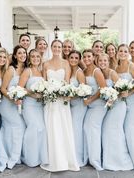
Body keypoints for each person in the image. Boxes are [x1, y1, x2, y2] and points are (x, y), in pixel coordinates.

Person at [40, 40, 80, 172]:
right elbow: (44, 82)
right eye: (55, 46)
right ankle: (53, 160)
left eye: (59, 47)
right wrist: (49, 92)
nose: (57, 48)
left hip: (62, 101)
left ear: (61, 48)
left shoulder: (66, 63)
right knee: (51, 128)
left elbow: (67, 82)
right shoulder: (46, 64)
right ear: (51, 48)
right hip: (50, 101)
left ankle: (65, 160)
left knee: (63, 128)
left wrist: (63, 92)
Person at [0, 45, 27, 171]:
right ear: (15, 56)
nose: (22, 55)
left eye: (24, 53)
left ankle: (11, 153)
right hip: (7, 103)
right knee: (18, 126)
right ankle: (12, 156)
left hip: (18, 104)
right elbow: (3, 88)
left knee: (11, 129)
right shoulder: (11, 69)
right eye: (19, 53)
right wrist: (12, 98)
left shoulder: (26, 69)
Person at [97, 53, 134, 171]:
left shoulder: (112, 73)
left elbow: (123, 89)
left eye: (105, 60)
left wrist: (114, 97)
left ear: (108, 61)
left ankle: (118, 160)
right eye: (100, 60)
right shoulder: (100, 73)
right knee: (108, 131)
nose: (102, 62)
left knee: (114, 130)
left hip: (118, 106)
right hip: (109, 106)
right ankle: (109, 159)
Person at [19, 49, 48, 167]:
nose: (35, 58)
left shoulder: (42, 72)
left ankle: (39, 157)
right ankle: (30, 157)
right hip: (29, 104)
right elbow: (20, 88)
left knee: (42, 129)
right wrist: (32, 93)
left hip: (40, 105)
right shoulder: (27, 71)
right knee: (33, 127)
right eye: (33, 56)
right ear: (29, 59)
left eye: (37, 56)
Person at [82, 49, 106, 170]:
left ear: (93, 57)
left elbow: (103, 88)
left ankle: (95, 160)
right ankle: (87, 157)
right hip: (88, 106)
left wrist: (91, 99)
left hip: (98, 105)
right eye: (84, 57)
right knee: (86, 128)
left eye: (89, 57)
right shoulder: (85, 70)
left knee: (93, 129)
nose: (86, 59)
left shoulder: (97, 71)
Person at [68, 50, 87, 167]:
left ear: (79, 59)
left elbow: (83, 90)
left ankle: (77, 158)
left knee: (76, 130)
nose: (74, 60)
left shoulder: (79, 72)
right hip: (70, 105)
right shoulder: (69, 71)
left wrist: (71, 95)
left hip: (79, 105)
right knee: (71, 130)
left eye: (76, 58)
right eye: (72, 57)